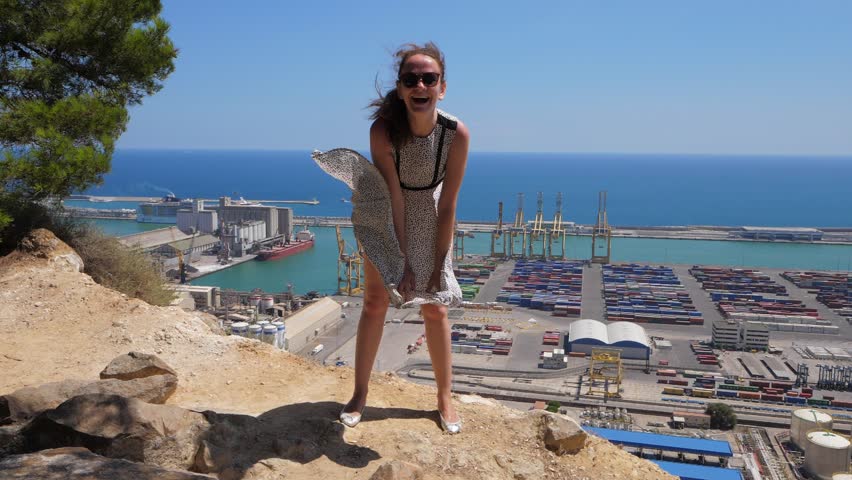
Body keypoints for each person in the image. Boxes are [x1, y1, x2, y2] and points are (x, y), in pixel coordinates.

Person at [313, 42, 469, 434]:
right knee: (374, 301)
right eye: (411, 79)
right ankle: (360, 392)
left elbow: (448, 204)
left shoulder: (456, 134)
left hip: (431, 213)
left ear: (442, 88)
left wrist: (435, 266)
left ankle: (444, 398)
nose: (420, 85)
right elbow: (394, 197)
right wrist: (400, 261)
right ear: (400, 89)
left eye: (428, 79)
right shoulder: (383, 130)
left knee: (436, 304)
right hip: (385, 209)